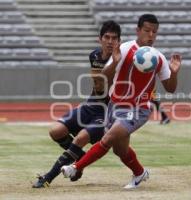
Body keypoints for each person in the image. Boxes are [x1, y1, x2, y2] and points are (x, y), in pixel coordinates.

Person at [61, 14, 182, 189]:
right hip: (115, 106)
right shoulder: (124, 49)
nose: (151, 35)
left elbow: (170, 88)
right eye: (147, 30)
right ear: (138, 31)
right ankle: (140, 173)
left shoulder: (159, 58)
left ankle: (75, 167)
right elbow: (103, 79)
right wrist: (115, 62)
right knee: (120, 150)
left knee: (108, 138)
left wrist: (175, 73)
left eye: (154, 32)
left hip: (139, 108)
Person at [32, 20, 121, 188]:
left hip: (108, 112)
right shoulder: (94, 55)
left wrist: (116, 63)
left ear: (119, 42)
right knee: (55, 131)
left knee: (80, 138)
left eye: (114, 38)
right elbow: (99, 86)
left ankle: (48, 178)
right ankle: (80, 158)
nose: (110, 41)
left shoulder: (123, 60)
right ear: (100, 39)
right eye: (107, 37)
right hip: (91, 105)